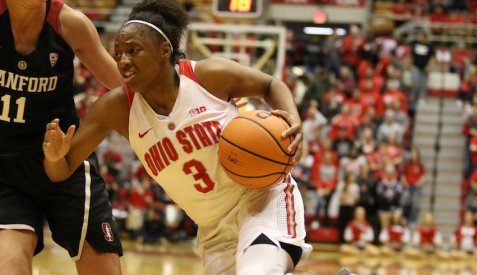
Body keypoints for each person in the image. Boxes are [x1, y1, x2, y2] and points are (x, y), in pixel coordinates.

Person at [42, 0, 311, 274]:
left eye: (133, 51)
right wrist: (54, 157)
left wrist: (291, 116)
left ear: (164, 50)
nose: (122, 61)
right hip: (213, 229)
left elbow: (269, 84)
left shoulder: (208, 76)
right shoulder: (114, 109)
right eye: (119, 52)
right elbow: (61, 171)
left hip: (261, 198)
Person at [0, 0, 123, 274]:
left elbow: (125, 91)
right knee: (9, 265)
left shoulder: (70, 24)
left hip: (66, 161)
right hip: (7, 170)